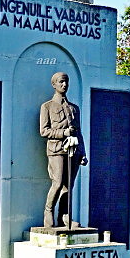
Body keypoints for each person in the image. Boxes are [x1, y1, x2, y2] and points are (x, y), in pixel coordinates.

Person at [39, 72, 88, 228]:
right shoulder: (47, 106)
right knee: (58, 182)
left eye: (66, 82)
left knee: (69, 185)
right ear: (54, 84)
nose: (64, 85)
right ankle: (48, 211)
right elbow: (44, 131)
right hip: (56, 150)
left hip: (73, 151)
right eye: (61, 82)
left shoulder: (74, 108)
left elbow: (79, 132)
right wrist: (63, 133)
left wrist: (83, 153)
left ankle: (64, 216)